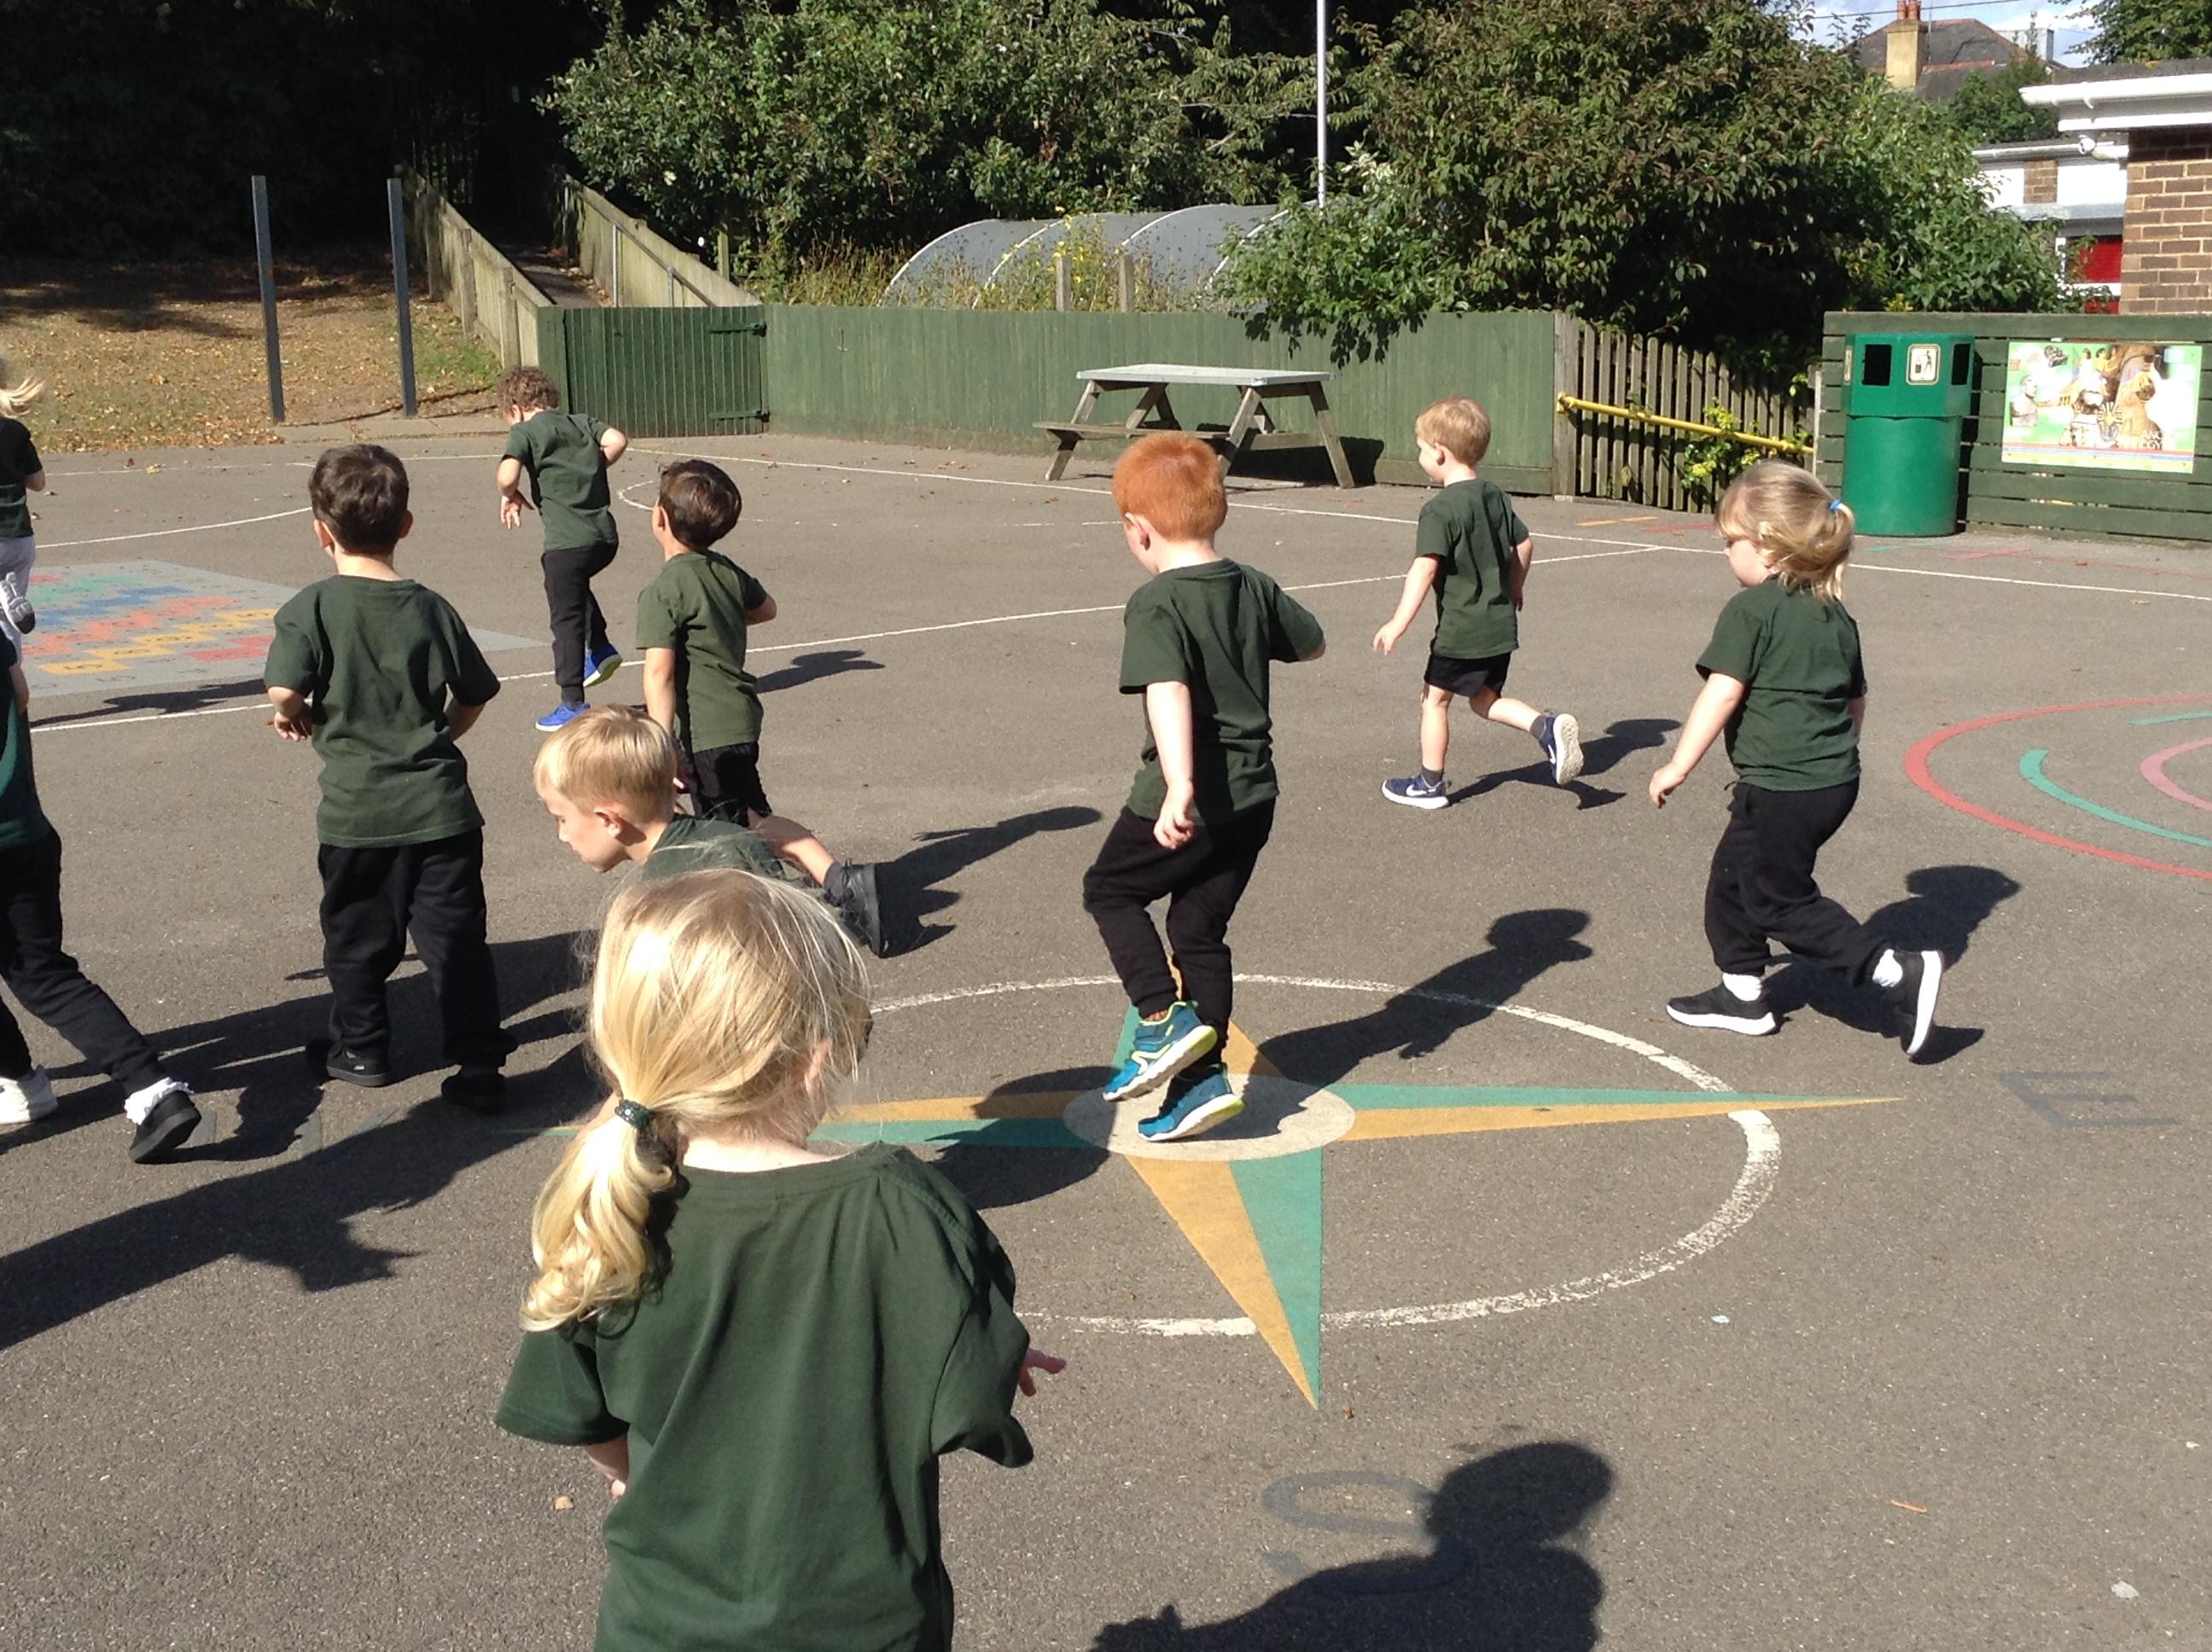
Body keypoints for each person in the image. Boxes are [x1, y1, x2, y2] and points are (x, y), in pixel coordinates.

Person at [496, 870, 1061, 1651]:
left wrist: (630, 1473)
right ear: (814, 1058)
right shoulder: (902, 1210)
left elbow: (584, 1417)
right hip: (864, 1629)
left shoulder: (610, 1214)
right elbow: (970, 1400)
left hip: (659, 1629)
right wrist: (988, 1346)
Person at [1649, 460, 1943, 1056]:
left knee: (1778, 900)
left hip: (1783, 788)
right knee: (1734, 880)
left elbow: (1723, 693)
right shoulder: (1836, 616)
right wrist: (1834, 756)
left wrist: (1678, 765)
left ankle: (1893, 970)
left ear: (1767, 546)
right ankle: (1742, 995)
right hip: (1830, 783)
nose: (1726, 553)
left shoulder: (1753, 611)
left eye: (1730, 542)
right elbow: (1855, 702)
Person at [1080, 433, 1325, 1143]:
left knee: (1111, 891)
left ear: (1138, 529)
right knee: (1196, 930)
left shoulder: (1157, 601)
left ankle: (1161, 1018)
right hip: (1254, 797)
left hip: (1191, 797)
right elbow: (1312, 642)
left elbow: (1168, 688)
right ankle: (1201, 1082)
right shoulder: (1251, 584)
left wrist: (1179, 785)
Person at [265, 445, 512, 1107]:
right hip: (442, 810)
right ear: (405, 524)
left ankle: (363, 1047)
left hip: (359, 815)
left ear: (321, 531)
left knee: (356, 939)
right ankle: (479, 1064)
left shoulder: (312, 608)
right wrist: (442, 734)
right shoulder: (431, 607)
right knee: (455, 939)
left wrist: (295, 712)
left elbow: (283, 688)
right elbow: (475, 692)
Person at [632, 458, 883, 948]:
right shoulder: (724, 571)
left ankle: (802, 904)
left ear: (659, 518)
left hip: (706, 730)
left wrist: (662, 748)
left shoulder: (664, 589)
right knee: (745, 819)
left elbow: (658, 675)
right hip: (738, 717)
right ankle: (830, 883)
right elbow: (766, 609)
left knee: (736, 832)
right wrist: (719, 617)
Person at [0, 631, 200, 1160]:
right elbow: (20, 692)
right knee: (45, 975)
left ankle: (21, 1080)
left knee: (38, 972)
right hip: (22, 831)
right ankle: (152, 1087)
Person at [533, 704, 888, 954]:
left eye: (561, 818)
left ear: (610, 820)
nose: (562, 835)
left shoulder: (652, 905)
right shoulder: (738, 840)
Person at [1373, 396, 1582, 808]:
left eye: (1420, 448)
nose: (1419, 456)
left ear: (1439, 452)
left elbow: (1424, 568)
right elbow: (1525, 544)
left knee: (1434, 701)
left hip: (1462, 630)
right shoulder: (1495, 496)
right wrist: (1514, 587)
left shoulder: (1439, 510)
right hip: (1499, 626)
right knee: (1485, 700)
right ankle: (1545, 727)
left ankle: (1429, 784)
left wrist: (1398, 622)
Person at [495, 365, 628, 732]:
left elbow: (506, 475)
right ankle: (600, 646)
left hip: (566, 544)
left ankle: (572, 702)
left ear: (517, 409)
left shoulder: (525, 431)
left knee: (565, 619)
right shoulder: (580, 422)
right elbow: (617, 440)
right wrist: (592, 469)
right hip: (604, 540)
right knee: (574, 586)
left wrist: (509, 494)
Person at [0, 360, 49, 645]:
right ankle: (13, 677)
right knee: (10, 627)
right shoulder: (15, 432)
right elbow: (38, 482)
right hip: (18, 536)